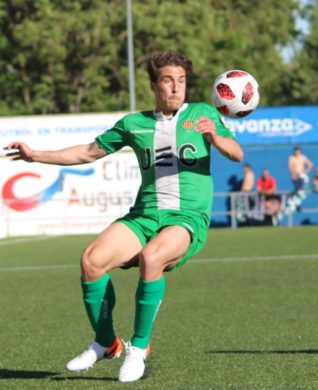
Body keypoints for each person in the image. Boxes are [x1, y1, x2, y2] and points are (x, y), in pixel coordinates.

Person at [4, 51, 243, 382]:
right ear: (153, 85)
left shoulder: (203, 114)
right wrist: (36, 156)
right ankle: (107, 343)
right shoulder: (134, 124)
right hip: (143, 217)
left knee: (152, 257)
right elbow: (88, 152)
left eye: (182, 81)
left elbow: (236, 153)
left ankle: (139, 348)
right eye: (168, 80)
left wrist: (215, 137)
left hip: (187, 218)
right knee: (91, 260)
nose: (176, 88)